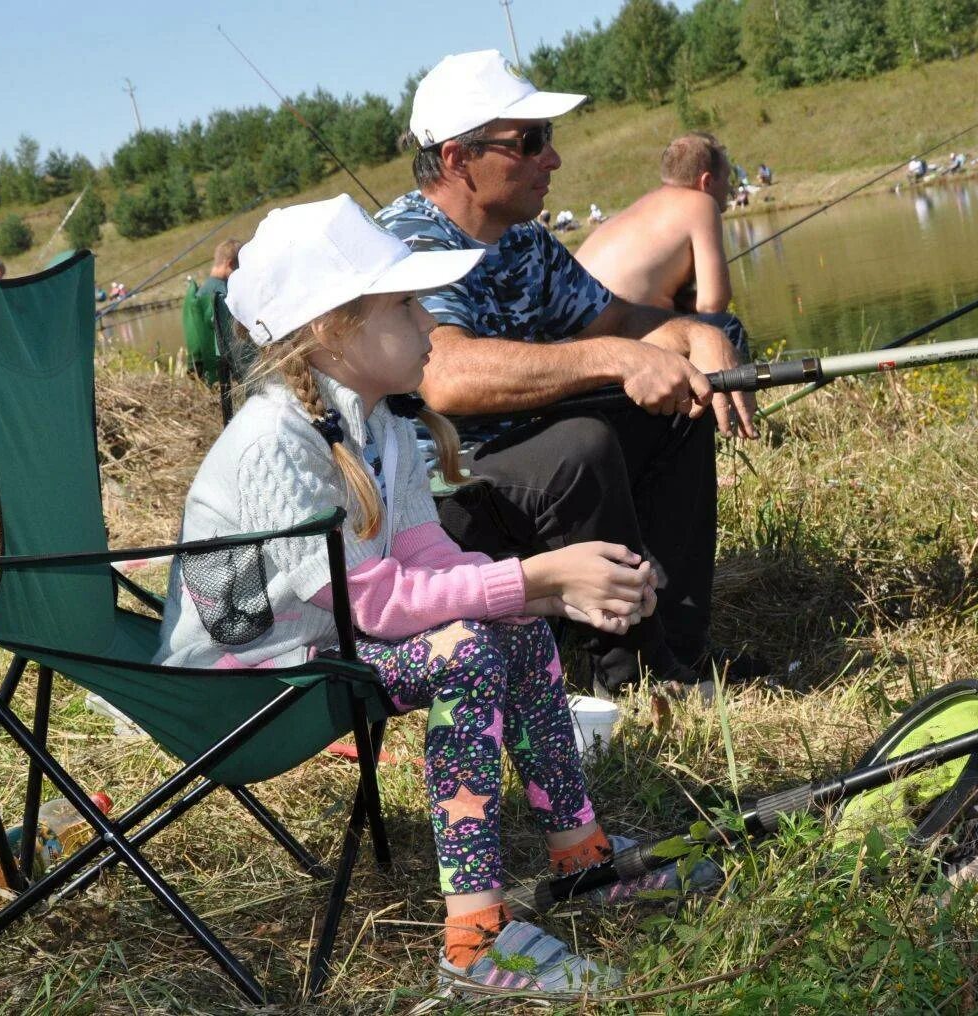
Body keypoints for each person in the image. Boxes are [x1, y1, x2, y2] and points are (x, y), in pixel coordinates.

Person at [154, 194, 719, 997]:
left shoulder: (381, 426)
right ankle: (474, 942)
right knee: (468, 649)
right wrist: (535, 577)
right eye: (407, 303)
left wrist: (547, 599)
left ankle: (583, 859)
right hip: (239, 686)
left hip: (323, 649)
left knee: (511, 632)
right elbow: (373, 602)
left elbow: (428, 558)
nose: (429, 322)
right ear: (332, 329)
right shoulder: (272, 442)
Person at [376, 50, 762, 700]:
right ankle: (634, 676)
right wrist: (616, 360)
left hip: (518, 473)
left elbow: (611, 320)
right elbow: (445, 377)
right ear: (456, 159)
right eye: (529, 142)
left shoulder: (521, 240)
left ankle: (678, 649)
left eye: (547, 139)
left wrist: (694, 334)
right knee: (578, 447)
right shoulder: (410, 244)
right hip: (440, 505)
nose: (551, 159)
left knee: (675, 407)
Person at [576, 132, 744, 330]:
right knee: (725, 327)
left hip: (568, 329)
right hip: (607, 334)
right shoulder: (701, 203)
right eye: (726, 177)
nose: (730, 187)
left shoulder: (647, 205)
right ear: (706, 182)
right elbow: (712, 304)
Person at [181, 238, 240, 383]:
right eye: (239, 268)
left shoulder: (203, 289)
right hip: (219, 370)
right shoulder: (221, 293)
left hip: (203, 368)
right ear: (230, 264)